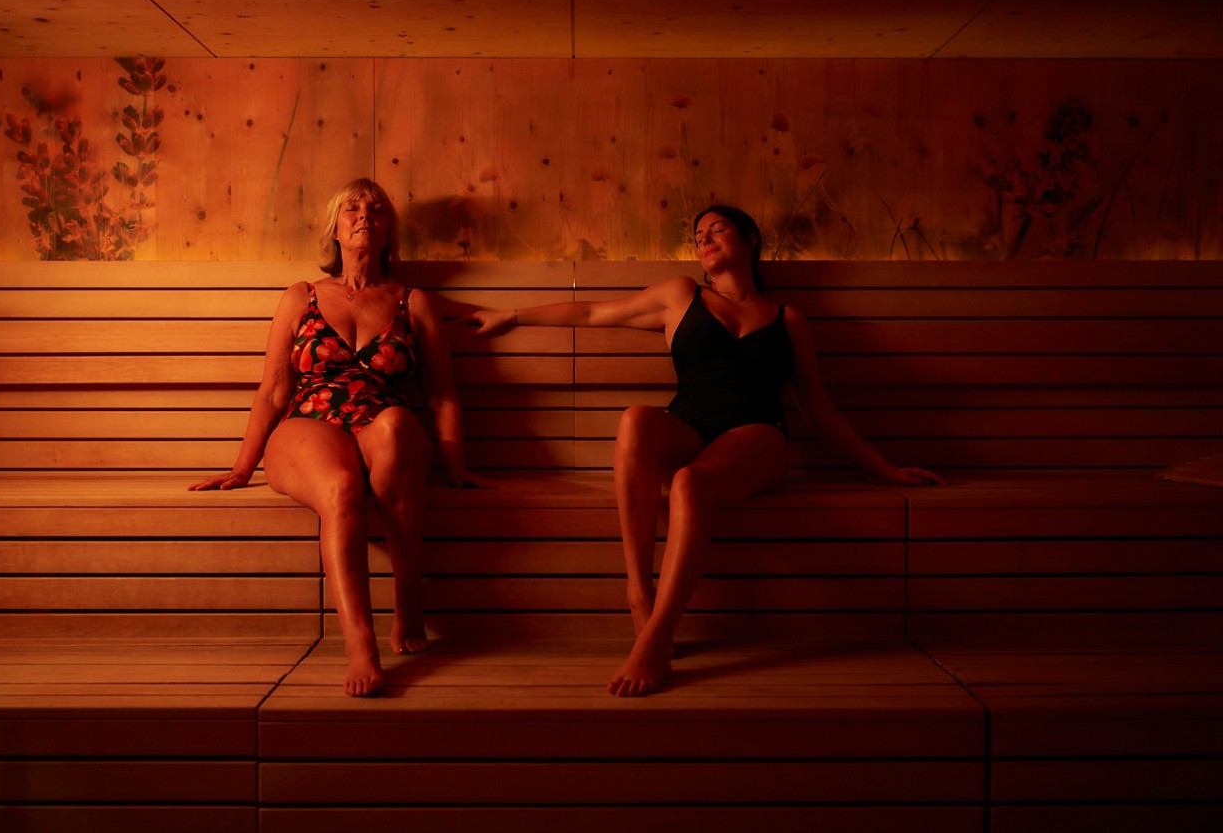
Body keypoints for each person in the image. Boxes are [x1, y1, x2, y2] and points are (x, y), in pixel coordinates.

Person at [462, 204, 944, 697]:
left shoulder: (788, 319)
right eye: (698, 236)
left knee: (692, 482)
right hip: (690, 426)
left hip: (758, 435)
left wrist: (885, 469)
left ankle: (655, 639)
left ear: (751, 241)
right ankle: (638, 590)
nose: (705, 239)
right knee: (634, 419)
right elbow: (591, 311)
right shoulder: (681, 295)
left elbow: (821, 412)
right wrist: (511, 315)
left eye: (718, 230)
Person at [190, 177, 491, 697]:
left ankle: (408, 600)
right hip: (311, 425)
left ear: (387, 230)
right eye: (351, 208)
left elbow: (441, 395)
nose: (363, 216)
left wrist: (455, 465)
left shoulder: (413, 302)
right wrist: (242, 467)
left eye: (375, 209)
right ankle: (361, 647)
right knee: (343, 490)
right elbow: (272, 391)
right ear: (334, 226)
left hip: (381, 424)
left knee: (398, 423)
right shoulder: (301, 296)